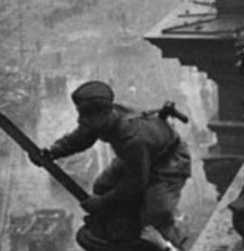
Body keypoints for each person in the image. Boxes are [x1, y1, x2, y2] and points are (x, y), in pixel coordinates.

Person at [35, 81, 191, 241]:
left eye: (86, 116)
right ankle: (126, 227)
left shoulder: (132, 139)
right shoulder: (103, 119)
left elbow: (136, 183)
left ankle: (171, 249)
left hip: (169, 162)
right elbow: (81, 138)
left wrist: (102, 202)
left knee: (155, 216)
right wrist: (53, 151)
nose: (81, 120)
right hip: (139, 156)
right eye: (81, 114)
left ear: (104, 114)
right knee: (102, 186)